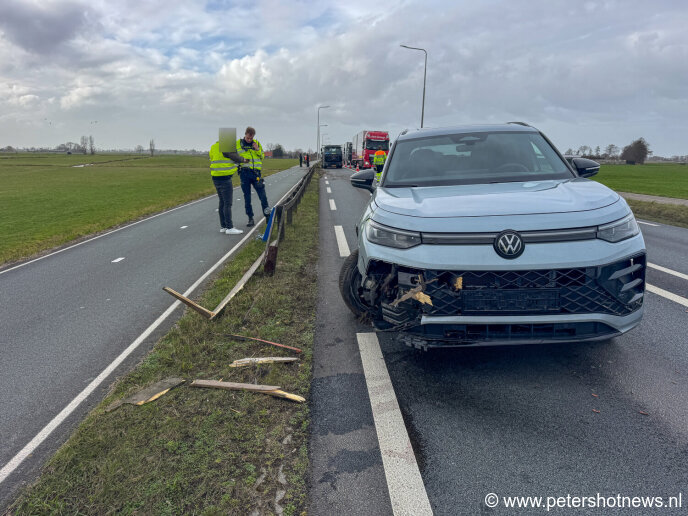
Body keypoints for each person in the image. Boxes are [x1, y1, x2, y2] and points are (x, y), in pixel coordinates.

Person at [237, 127, 270, 227]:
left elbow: (262, 156)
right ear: (245, 134)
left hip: (256, 174)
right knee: (247, 198)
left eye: (251, 138)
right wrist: (241, 160)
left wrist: (257, 149)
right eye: (248, 138)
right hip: (244, 173)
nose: (249, 140)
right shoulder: (238, 144)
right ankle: (250, 218)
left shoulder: (257, 143)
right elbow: (232, 156)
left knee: (263, 196)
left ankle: (268, 217)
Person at [208, 140, 243, 235]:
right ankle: (229, 227)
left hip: (215, 177)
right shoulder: (228, 146)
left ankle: (223, 226)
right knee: (228, 203)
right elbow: (235, 159)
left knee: (222, 202)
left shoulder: (213, 147)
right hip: (225, 177)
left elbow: (212, 158)